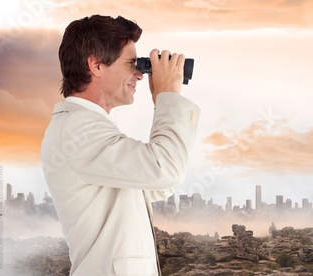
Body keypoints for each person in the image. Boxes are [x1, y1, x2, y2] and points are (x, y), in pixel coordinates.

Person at [41, 14, 200, 276]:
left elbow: (161, 183)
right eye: (131, 63)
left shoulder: (86, 126)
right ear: (96, 65)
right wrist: (169, 98)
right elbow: (166, 169)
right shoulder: (78, 129)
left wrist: (164, 99)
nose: (139, 74)